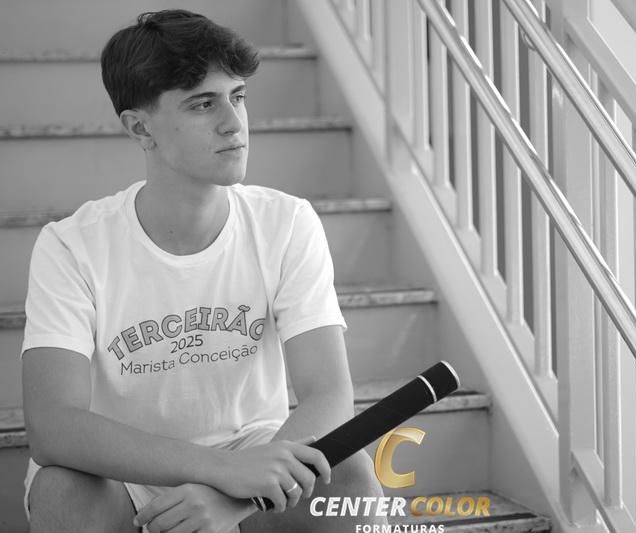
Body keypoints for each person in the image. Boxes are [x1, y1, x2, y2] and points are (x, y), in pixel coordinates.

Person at [21, 9, 386, 533]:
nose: (233, 122)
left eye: (238, 96)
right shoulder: (71, 245)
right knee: (61, 493)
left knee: (351, 479)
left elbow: (329, 393)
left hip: (253, 453)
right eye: (203, 103)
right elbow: (53, 426)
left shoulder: (286, 223)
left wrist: (238, 495)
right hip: (123, 472)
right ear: (140, 127)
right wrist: (219, 472)